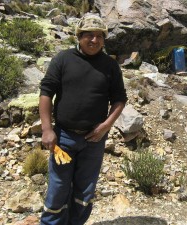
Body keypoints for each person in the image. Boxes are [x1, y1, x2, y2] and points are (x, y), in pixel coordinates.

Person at [39, 14, 127, 225]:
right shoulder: (63, 59)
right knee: (58, 188)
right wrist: (46, 129)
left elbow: (119, 99)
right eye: (89, 35)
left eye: (99, 36)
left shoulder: (110, 66)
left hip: (93, 142)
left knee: (85, 191)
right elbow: (46, 92)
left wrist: (106, 126)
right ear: (79, 36)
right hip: (63, 138)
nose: (94, 40)